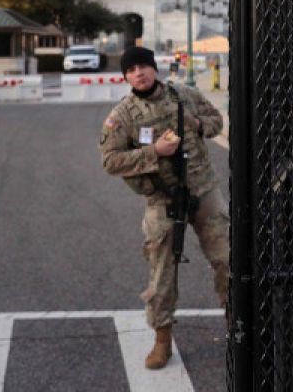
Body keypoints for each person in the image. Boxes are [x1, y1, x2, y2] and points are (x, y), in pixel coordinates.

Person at [99, 46, 230, 370]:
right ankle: (162, 340)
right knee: (161, 274)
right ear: (126, 76)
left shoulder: (184, 94)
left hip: (203, 189)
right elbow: (110, 161)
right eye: (131, 70)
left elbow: (216, 121)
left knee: (229, 259)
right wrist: (154, 152)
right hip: (162, 199)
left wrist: (200, 125)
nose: (138, 74)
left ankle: (239, 327)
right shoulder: (124, 115)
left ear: (154, 69)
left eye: (143, 67)